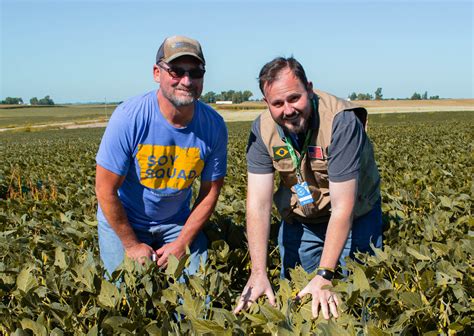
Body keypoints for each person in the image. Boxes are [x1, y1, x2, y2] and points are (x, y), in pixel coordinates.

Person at [234, 57, 382, 320]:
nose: (288, 110)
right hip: (303, 217)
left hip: (355, 215)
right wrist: (258, 272)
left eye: (294, 98)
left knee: (357, 299)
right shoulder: (262, 129)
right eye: (277, 103)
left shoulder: (341, 121)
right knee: (298, 300)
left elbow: (342, 207)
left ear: (309, 89)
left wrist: (325, 274)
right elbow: (258, 203)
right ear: (266, 103)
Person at [95, 35, 227, 277]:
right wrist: (132, 245)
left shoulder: (214, 126)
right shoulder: (129, 117)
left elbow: (210, 192)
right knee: (123, 294)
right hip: (125, 220)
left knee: (200, 296)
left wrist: (182, 244)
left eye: (195, 72)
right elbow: (105, 190)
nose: (187, 81)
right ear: (157, 73)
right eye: (176, 71)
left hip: (175, 223)